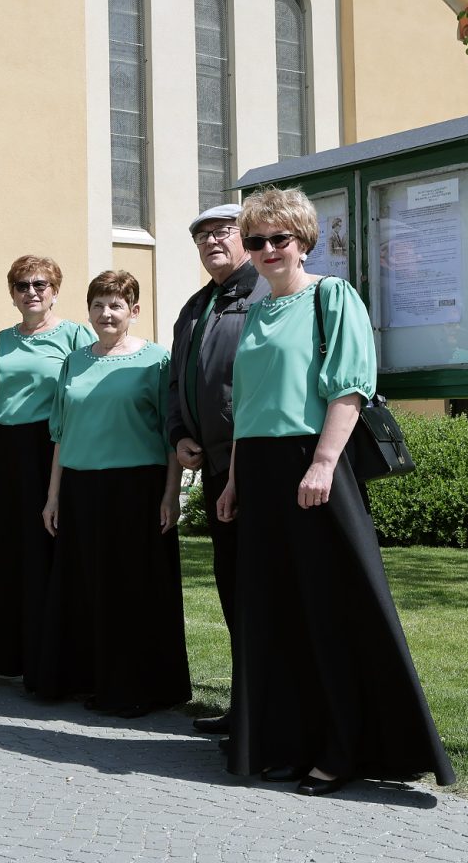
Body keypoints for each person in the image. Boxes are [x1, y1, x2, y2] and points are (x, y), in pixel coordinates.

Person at [216, 187, 455, 796]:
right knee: (275, 614)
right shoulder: (255, 313)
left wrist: (323, 463)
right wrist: (235, 480)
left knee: (330, 609)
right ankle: (291, 741)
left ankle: (344, 747)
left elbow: (349, 387)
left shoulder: (332, 296)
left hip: (311, 463)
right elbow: (247, 407)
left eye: (279, 238)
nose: (267, 250)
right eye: (256, 241)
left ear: (303, 241)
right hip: (260, 470)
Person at [35, 270, 190, 716]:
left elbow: (170, 435)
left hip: (137, 490)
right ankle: (88, 679)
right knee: (86, 588)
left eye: (116, 305)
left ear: (134, 311)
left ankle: (136, 688)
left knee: (131, 591)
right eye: (99, 305)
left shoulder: (156, 361)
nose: (107, 313)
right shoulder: (74, 361)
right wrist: (53, 496)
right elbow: (61, 433)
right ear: (88, 311)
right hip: (81, 489)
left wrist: (171, 494)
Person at [0, 255, 90, 686]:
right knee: (10, 553)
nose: (31, 292)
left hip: (51, 447)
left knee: (49, 550)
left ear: (55, 290)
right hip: (7, 454)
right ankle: (9, 658)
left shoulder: (76, 334)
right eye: (22, 285)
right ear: (12, 293)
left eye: (40, 284)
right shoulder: (2, 340)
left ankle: (52, 661)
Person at [166, 205, 268, 736]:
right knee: (233, 588)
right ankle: (246, 704)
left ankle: (266, 710)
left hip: (257, 465)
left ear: (245, 237)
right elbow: (176, 382)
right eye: (202, 235)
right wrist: (180, 434)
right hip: (214, 468)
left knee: (261, 589)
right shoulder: (197, 305)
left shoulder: (264, 295)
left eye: (222, 232)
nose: (211, 242)